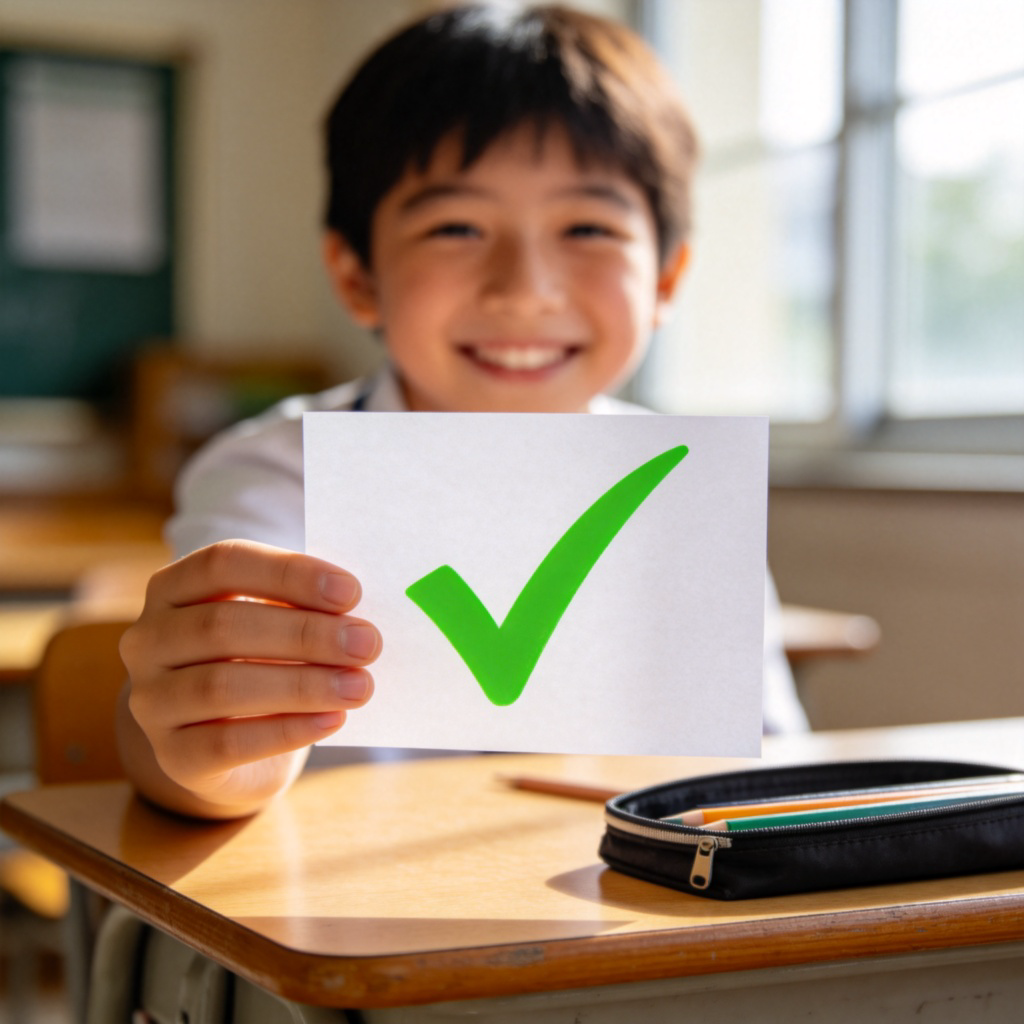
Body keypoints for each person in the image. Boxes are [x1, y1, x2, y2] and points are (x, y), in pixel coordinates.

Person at [117, 3, 808, 821]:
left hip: (631, 930)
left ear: (665, 278)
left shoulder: (686, 492)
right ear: (356, 275)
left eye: (587, 226)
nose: (524, 289)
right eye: (457, 226)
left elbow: (768, 775)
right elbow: (183, 730)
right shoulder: (279, 476)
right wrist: (216, 760)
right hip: (356, 923)